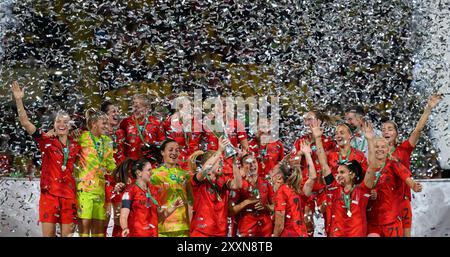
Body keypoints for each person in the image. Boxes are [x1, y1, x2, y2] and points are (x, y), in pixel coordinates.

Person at [11, 81, 81, 237]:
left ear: (70, 125)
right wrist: (18, 100)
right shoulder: (46, 141)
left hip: (69, 196)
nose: (62, 124)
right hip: (49, 195)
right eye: (58, 121)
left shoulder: (77, 144)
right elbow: (25, 123)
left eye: (65, 122)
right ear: (54, 124)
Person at [382, 94, 443, 237]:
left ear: (396, 134)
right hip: (383, 203)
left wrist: (428, 108)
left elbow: (417, 131)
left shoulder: (404, 149)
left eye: (390, 129)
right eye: (383, 129)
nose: (386, 131)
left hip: (402, 202)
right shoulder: (376, 154)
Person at [314, 121, 377, 237]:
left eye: (341, 132)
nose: (338, 135)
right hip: (335, 198)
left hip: (355, 199)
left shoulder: (359, 156)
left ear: (350, 136)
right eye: (336, 133)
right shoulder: (331, 156)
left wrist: (370, 140)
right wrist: (317, 138)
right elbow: (323, 165)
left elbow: (371, 169)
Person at [290, 110, 337, 236]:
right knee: (306, 225)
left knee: (329, 225)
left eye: (310, 119)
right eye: (305, 119)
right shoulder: (300, 141)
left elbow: (329, 167)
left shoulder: (328, 142)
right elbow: (293, 166)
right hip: (306, 192)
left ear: (319, 121)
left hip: (323, 192)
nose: (306, 123)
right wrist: (300, 154)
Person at [366, 136, 423, 237]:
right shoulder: (368, 168)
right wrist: (368, 192)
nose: (379, 149)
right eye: (376, 147)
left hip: (391, 220)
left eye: (383, 147)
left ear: (387, 149)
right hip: (372, 221)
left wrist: (413, 185)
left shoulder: (393, 164)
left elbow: (405, 177)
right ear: (371, 149)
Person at [188, 137, 243, 237]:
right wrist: (219, 150)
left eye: (222, 161)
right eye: (219, 161)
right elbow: (205, 169)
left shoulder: (223, 180)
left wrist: (234, 161)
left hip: (220, 232)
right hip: (201, 232)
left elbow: (238, 184)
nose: (222, 164)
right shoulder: (198, 180)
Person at [74, 108, 116, 237]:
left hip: (100, 191)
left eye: (107, 123)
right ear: (94, 123)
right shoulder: (82, 137)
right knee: (84, 230)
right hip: (84, 190)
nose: (107, 126)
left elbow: (111, 165)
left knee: (99, 232)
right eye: (103, 123)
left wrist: (112, 170)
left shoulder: (108, 142)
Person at [120, 158, 184, 237]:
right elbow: (123, 215)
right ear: (139, 173)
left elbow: (159, 217)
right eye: (149, 170)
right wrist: (125, 228)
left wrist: (173, 207)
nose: (152, 172)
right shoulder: (130, 191)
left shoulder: (153, 190)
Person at [271, 140, 317, 237]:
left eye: (272, 173)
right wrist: (307, 154)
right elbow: (312, 177)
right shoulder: (298, 189)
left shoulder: (281, 192)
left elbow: (279, 225)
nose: (270, 176)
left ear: (279, 178)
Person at [151, 139, 193, 237]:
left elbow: (190, 202)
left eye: (177, 150)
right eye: (170, 150)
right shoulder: (154, 174)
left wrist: (191, 223)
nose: (174, 153)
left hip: (182, 226)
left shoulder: (185, 175)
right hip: (162, 226)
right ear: (162, 152)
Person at [229, 154, 274, 237]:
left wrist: (266, 207)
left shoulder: (265, 182)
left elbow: (274, 206)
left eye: (254, 162)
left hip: (265, 228)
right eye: (248, 163)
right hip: (246, 227)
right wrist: (247, 202)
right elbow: (231, 211)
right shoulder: (238, 184)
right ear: (242, 167)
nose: (252, 165)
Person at [100, 100, 126, 236]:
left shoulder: (121, 133)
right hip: (103, 180)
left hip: (119, 179)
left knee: (119, 218)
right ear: (104, 115)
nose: (117, 114)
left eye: (118, 111)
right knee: (104, 218)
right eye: (113, 111)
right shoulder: (97, 133)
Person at [161, 93, 202, 171]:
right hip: (171, 159)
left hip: (188, 161)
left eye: (190, 106)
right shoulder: (169, 121)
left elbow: (193, 146)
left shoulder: (195, 123)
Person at [119, 94, 165, 162]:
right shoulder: (126, 122)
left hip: (150, 164)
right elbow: (120, 145)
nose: (135, 110)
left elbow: (162, 144)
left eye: (138, 107)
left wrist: (152, 146)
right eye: (133, 107)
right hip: (131, 165)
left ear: (147, 108)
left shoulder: (156, 123)